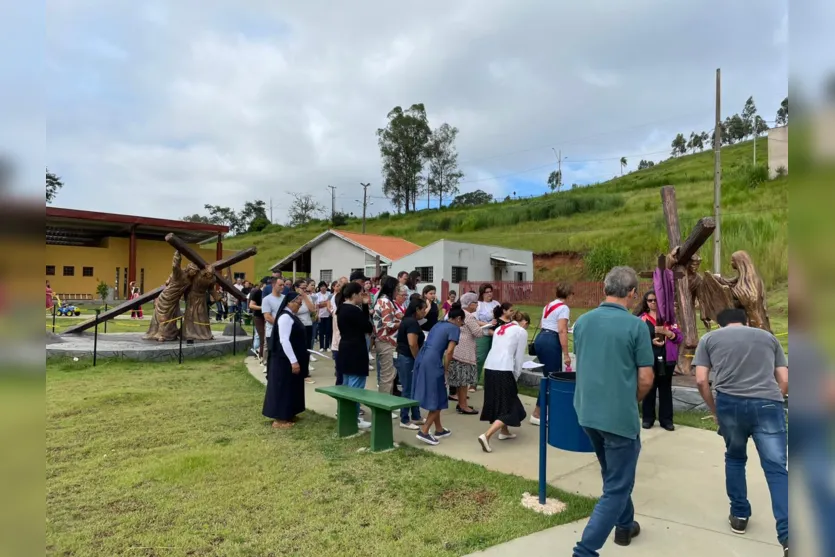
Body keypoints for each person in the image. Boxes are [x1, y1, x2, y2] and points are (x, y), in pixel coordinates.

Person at [572, 266, 655, 556]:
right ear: (633, 293)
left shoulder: (582, 322)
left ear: (604, 289)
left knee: (614, 474)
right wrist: (629, 400)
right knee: (617, 486)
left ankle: (625, 525)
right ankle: (585, 550)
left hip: (586, 412)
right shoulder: (637, 326)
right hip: (618, 417)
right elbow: (646, 378)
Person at [693, 308, 788, 554]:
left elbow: (701, 379)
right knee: (777, 469)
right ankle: (788, 536)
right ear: (746, 321)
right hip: (768, 403)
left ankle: (739, 515)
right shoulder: (768, 337)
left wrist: (714, 410)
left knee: (735, 458)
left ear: (720, 323)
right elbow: (785, 379)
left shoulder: (709, 339)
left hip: (730, 404)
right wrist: (774, 398)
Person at [478, 311, 531, 453]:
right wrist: (516, 375)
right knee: (511, 406)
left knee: (497, 400)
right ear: (525, 323)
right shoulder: (521, 332)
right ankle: (487, 435)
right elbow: (519, 357)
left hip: (490, 367)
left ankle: (504, 431)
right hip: (504, 369)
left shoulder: (500, 329)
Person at [411, 307, 465, 446]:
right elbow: (449, 352)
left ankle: (439, 429)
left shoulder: (438, 324)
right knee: (439, 397)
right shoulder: (454, 328)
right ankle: (424, 431)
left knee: (435, 395)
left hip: (422, 358)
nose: (461, 325)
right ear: (458, 319)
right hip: (433, 362)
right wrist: (446, 370)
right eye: (462, 322)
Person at [634, 290, 682, 431]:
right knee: (649, 387)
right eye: (650, 300)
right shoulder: (641, 319)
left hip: (667, 358)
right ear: (646, 302)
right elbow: (636, 340)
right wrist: (651, 341)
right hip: (649, 357)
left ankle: (666, 420)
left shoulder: (669, 319)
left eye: (655, 300)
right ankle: (648, 418)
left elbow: (679, 338)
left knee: (665, 388)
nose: (653, 302)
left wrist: (668, 333)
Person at [261, 292, 308, 429]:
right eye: (299, 303)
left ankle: (289, 412)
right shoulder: (285, 318)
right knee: (283, 388)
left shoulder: (291, 316)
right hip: (283, 360)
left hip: (290, 358)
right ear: (290, 302)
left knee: (291, 387)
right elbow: (284, 340)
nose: (300, 306)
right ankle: (280, 419)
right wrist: (294, 361)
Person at [531, 284, 573, 426]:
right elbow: (562, 330)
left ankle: (545, 411)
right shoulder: (564, 308)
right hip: (551, 341)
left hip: (541, 338)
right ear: (569, 295)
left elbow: (547, 323)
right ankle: (538, 413)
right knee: (552, 378)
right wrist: (566, 354)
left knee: (548, 376)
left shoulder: (548, 305)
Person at [337, 282, 374, 429]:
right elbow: (367, 326)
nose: (362, 296)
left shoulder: (341, 308)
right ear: (353, 295)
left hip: (345, 348)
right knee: (356, 386)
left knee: (347, 384)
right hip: (355, 349)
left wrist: (364, 306)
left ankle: (345, 415)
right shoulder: (353, 310)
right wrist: (365, 307)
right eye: (360, 294)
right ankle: (354, 417)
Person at [449, 292, 488, 415]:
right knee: (464, 380)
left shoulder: (458, 313)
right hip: (465, 352)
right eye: (476, 303)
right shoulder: (468, 316)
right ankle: (463, 406)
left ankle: (461, 403)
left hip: (456, 350)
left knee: (460, 380)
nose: (477, 305)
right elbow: (477, 333)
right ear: (470, 304)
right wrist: (487, 328)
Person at [395, 298, 428, 429]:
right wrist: (418, 359)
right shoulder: (411, 323)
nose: (425, 312)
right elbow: (412, 344)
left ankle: (416, 416)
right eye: (423, 309)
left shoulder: (409, 320)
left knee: (414, 388)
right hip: (408, 358)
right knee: (408, 389)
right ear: (417, 309)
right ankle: (404, 419)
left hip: (406, 357)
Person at [372, 276, 403, 399]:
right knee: (387, 375)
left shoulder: (386, 301)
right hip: (386, 341)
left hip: (386, 341)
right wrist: (403, 324)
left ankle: (386, 402)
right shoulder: (385, 301)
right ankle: (384, 405)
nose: (398, 292)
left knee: (390, 374)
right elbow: (388, 324)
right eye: (397, 289)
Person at [474, 284, 500, 388]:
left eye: (491, 291)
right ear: (482, 293)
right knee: (479, 358)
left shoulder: (496, 303)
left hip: (495, 334)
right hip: (483, 333)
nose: (489, 294)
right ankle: (473, 383)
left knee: (494, 359)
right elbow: (474, 320)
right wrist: (487, 325)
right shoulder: (478, 304)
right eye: (487, 292)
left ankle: (489, 383)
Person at [292, 279, 317, 383]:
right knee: (298, 349)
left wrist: (305, 296)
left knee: (307, 349)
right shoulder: (292, 297)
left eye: (305, 287)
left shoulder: (308, 297)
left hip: (308, 325)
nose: (304, 289)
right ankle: (297, 371)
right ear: (296, 288)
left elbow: (312, 309)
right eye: (302, 287)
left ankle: (305, 373)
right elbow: (293, 311)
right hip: (297, 325)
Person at [261, 285, 285, 373]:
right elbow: (267, 316)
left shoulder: (285, 298)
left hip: (283, 331)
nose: (283, 287)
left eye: (283, 285)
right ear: (274, 286)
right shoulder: (267, 299)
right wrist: (279, 324)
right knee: (270, 350)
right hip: (271, 330)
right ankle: (268, 366)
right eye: (280, 285)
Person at [329, 276, 348, 385]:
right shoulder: (337, 300)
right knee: (341, 375)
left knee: (343, 374)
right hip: (339, 345)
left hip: (341, 344)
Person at [249, 278, 267, 362]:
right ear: (263, 284)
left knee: (266, 337)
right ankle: (261, 355)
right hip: (259, 317)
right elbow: (251, 305)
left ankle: (261, 353)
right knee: (262, 336)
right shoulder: (257, 292)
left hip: (267, 316)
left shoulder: (269, 293)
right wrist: (262, 308)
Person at [314, 281, 333, 351]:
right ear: (319, 287)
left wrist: (323, 303)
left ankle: (327, 346)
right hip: (320, 315)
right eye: (321, 286)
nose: (323, 288)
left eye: (324, 286)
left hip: (328, 315)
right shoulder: (317, 295)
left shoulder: (329, 294)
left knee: (328, 331)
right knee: (321, 332)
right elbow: (317, 305)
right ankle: (321, 347)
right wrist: (326, 303)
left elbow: (330, 304)